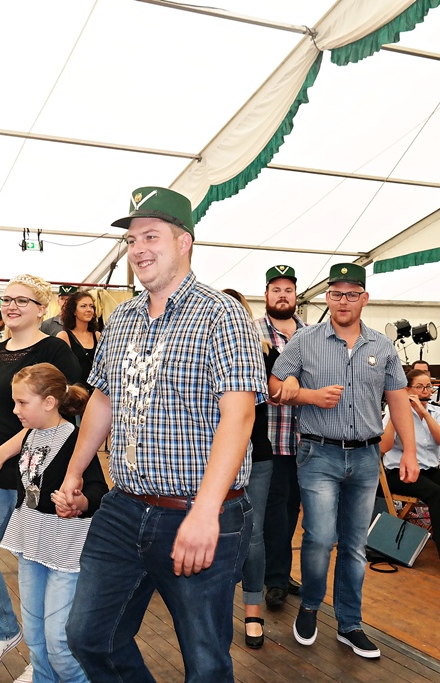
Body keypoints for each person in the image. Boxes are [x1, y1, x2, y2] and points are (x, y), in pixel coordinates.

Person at [61, 186, 266, 682]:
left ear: (184, 242)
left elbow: (239, 417)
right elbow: (104, 400)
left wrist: (205, 512)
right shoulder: (125, 318)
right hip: (125, 507)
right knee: (91, 637)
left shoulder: (222, 315)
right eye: (131, 241)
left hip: (197, 512)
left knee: (205, 662)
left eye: (150, 236)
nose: (138, 250)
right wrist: (73, 472)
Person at [269, 262, 417, 660]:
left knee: (354, 546)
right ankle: (311, 606)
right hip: (318, 453)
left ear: (365, 299)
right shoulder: (304, 341)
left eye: (352, 294)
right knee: (318, 539)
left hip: (367, 457)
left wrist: (412, 451)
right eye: (336, 293)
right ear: (327, 298)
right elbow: (275, 387)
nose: (343, 301)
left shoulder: (383, 347)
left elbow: (398, 400)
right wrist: (307, 396)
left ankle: (351, 623)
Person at [0, 274, 82, 678]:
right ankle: (4, 630)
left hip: (39, 471)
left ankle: (40, 662)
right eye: (7, 299)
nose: (11, 307)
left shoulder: (54, 349)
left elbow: (54, 414)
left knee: (38, 565)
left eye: (22, 301)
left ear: (41, 308)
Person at [0, 363, 107, 683]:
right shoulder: (30, 436)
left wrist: (80, 502)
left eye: (22, 402)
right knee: (34, 635)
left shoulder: (75, 438)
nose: (15, 409)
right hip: (31, 546)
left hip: (66, 552)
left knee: (58, 641)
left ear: (49, 402)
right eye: (15, 401)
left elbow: (99, 490)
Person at [380, 369, 440, 585]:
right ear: (407, 389)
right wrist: (398, 410)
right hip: (399, 471)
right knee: (437, 494)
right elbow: (383, 446)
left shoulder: (434, 411)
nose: (426, 391)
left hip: (429, 469)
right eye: (420, 387)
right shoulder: (393, 410)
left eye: (429, 387)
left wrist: (424, 413)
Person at [222, 288, 277, 649]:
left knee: (252, 536)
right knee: (216, 537)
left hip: (255, 455)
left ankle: (253, 611)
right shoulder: (200, 351)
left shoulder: (264, 353)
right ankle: (216, 608)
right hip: (209, 457)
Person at [256, 264, 307, 612]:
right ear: (266, 296)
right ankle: (273, 579)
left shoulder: (313, 334)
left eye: (288, 289)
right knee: (273, 509)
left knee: (292, 509)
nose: (282, 295)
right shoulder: (251, 332)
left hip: (305, 439)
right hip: (269, 438)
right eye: (276, 289)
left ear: (296, 296)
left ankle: (280, 572)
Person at [55, 290, 100, 392]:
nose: (89, 309)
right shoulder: (64, 337)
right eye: (83, 306)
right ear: (74, 311)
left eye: (91, 306)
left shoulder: (97, 336)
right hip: (75, 395)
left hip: (96, 394)